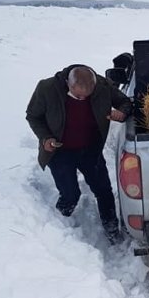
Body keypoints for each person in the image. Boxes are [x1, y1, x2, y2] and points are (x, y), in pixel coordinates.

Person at [26, 64, 133, 244]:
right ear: (68, 83)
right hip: (60, 151)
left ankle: (111, 228)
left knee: (104, 191)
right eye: (78, 95)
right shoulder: (47, 88)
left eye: (87, 96)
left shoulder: (103, 87)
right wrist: (45, 138)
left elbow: (125, 102)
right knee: (70, 194)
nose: (82, 98)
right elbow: (33, 115)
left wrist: (121, 113)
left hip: (90, 149)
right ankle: (59, 227)